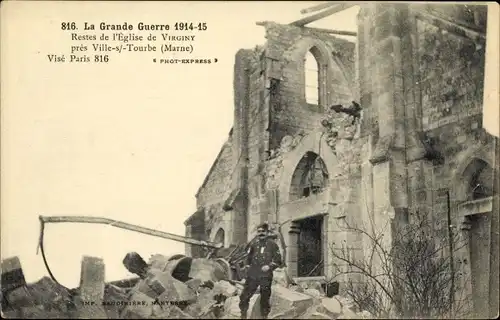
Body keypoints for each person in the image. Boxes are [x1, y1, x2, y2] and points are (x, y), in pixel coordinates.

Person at [239, 223, 282, 319]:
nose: (261, 233)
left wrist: (269, 266)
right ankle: (243, 316)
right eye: (259, 231)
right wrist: (247, 266)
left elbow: (278, 260)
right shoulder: (254, 244)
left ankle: (264, 317)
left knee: (264, 300)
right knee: (244, 297)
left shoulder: (272, 244)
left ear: (267, 232)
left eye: (263, 231)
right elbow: (248, 257)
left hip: (265, 276)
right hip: (253, 275)